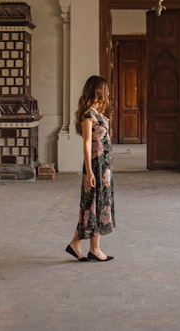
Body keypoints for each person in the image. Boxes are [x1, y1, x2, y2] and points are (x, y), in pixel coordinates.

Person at [65, 75, 115, 262]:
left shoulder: (98, 114)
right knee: (92, 205)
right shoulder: (89, 115)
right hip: (95, 166)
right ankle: (79, 244)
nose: (108, 93)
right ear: (98, 91)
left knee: (100, 205)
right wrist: (90, 171)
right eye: (105, 89)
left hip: (105, 168)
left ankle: (93, 248)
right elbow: (87, 144)